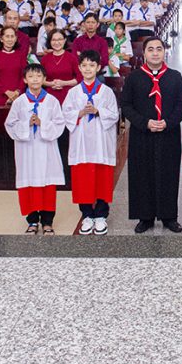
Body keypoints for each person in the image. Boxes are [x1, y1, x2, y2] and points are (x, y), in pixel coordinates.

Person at [120, 37, 182, 233]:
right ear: (144, 53)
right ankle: (145, 217)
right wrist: (144, 123)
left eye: (159, 49)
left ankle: (169, 217)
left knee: (169, 174)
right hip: (142, 133)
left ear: (164, 51)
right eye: (151, 49)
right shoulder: (134, 78)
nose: (155, 53)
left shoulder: (175, 77)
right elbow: (126, 105)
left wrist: (168, 122)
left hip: (169, 133)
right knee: (142, 173)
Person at [62, 50, 120, 236]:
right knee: (82, 178)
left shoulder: (106, 92)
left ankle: (101, 215)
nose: (88, 69)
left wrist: (98, 111)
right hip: (81, 144)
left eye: (92, 65)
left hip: (101, 142)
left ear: (98, 67)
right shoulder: (73, 92)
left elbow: (114, 115)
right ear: (79, 68)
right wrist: (79, 113)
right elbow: (65, 113)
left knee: (102, 177)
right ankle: (87, 214)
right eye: (84, 65)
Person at [5, 64, 66, 234]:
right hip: (27, 151)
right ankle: (32, 221)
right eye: (31, 76)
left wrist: (42, 124)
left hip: (46, 150)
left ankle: (47, 221)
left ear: (44, 79)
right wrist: (26, 124)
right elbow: (10, 124)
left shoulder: (52, 101)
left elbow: (60, 124)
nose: (35, 80)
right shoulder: (19, 102)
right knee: (28, 184)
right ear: (25, 80)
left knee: (48, 185)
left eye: (38, 76)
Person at [0, 26, 28, 106]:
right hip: (0, 95)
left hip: (18, 95)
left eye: (12, 36)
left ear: (16, 39)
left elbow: (24, 75)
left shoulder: (21, 55)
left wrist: (17, 92)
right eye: (7, 36)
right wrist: (6, 92)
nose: (10, 39)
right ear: (1, 39)